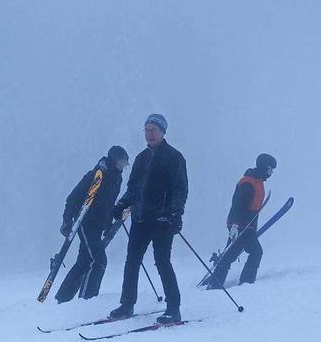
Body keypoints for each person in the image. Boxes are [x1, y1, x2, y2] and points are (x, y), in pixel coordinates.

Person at [109, 114, 188, 324]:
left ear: (163, 132)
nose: (149, 134)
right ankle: (127, 304)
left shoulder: (174, 157)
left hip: (162, 220)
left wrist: (175, 213)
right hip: (141, 219)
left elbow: (180, 189)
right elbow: (133, 189)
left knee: (162, 262)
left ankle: (173, 308)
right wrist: (122, 204)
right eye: (146, 130)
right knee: (132, 262)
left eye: (153, 130)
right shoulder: (141, 158)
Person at [54, 146, 129, 303]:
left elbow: (108, 204)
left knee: (84, 261)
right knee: (98, 261)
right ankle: (87, 300)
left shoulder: (116, 178)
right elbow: (73, 198)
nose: (123, 166)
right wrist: (67, 220)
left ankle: (62, 299)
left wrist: (108, 224)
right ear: (115, 160)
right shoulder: (97, 174)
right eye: (122, 162)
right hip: (86, 222)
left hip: (97, 225)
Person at [206, 154, 277, 289]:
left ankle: (218, 281)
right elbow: (238, 206)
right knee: (253, 252)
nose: (271, 173)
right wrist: (234, 226)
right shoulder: (248, 183)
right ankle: (243, 282)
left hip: (248, 226)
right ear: (263, 167)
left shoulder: (258, 182)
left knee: (233, 254)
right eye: (269, 169)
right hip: (240, 226)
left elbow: (253, 208)